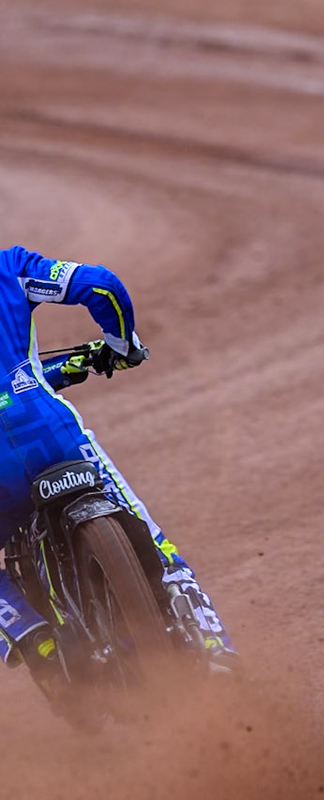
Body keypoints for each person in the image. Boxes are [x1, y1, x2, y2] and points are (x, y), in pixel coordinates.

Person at [1, 246, 234, 705]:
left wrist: (66, 369)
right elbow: (101, 285)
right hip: (52, 435)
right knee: (157, 544)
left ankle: (34, 638)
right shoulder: (10, 266)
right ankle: (217, 650)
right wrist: (120, 346)